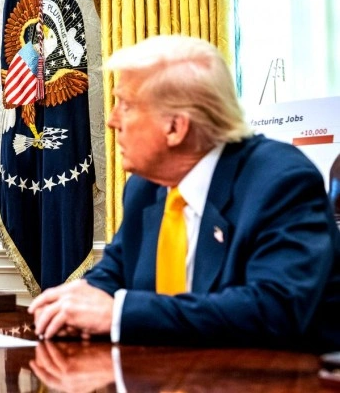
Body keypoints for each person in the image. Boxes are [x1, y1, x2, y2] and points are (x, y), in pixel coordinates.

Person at [29, 35, 340, 352]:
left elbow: (273, 311)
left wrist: (120, 314)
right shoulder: (145, 187)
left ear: (176, 128)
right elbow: (114, 273)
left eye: (126, 105)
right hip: (169, 370)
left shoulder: (279, 182)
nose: (112, 120)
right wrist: (77, 299)